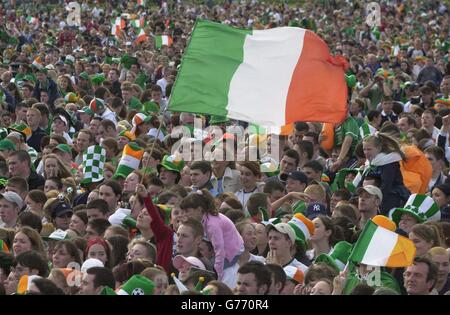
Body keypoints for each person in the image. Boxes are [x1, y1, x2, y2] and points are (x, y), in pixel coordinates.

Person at [179, 189, 244, 288]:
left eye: (188, 211)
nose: (185, 214)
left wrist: (217, 275)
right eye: (183, 212)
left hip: (233, 251)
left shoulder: (212, 224)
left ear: (200, 209)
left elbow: (220, 250)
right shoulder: (206, 219)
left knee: (210, 271)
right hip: (226, 249)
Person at [360, 133, 409, 215]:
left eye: (369, 149)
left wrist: (376, 202)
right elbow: (361, 182)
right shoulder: (370, 163)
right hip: (373, 195)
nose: (366, 152)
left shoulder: (388, 163)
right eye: (364, 149)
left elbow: (386, 185)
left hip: (391, 196)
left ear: (379, 148)